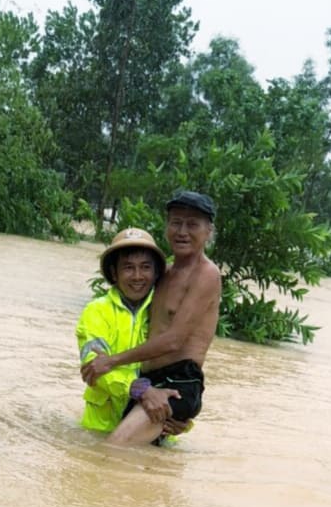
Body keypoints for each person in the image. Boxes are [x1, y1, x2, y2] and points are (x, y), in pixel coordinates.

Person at [81, 191, 222, 447]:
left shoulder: (207, 274)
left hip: (177, 381)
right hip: (151, 385)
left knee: (112, 450)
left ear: (209, 230)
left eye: (192, 224)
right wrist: (144, 391)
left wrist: (113, 361)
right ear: (114, 272)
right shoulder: (164, 275)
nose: (182, 231)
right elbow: (94, 365)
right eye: (176, 222)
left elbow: (174, 341)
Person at [75, 227, 181, 433]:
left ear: (156, 272)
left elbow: (181, 370)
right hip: (99, 430)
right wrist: (139, 389)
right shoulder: (96, 311)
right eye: (128, 268)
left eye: (145, 267)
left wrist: (183, 418)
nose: (137, 276)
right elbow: (93, 368)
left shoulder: (166, 312)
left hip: (154, 428)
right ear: (114, 273)